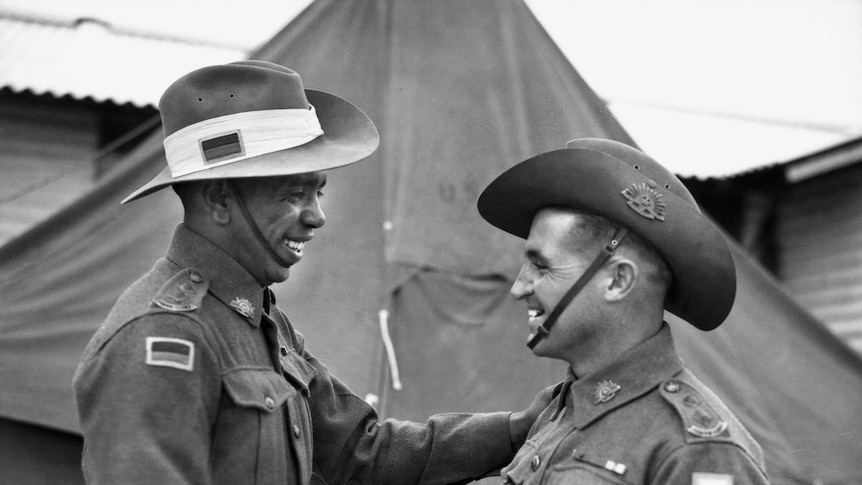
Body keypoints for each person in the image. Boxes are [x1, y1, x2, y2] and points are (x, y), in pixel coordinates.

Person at [72, 60, 551, 485]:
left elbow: (365, 453)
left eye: (317, 192)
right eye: (293, 194)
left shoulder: (258, 318)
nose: (317, 215)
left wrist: (522, 425)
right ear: (219, 199)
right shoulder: (161, 337)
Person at [477, 138, 770, 484]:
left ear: (618, 281)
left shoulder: (699, 450)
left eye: (542, 268)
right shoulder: (559, 410)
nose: (518, 288)